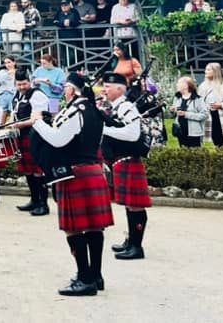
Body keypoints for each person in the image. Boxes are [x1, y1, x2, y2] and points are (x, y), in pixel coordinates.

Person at [31, 72, 114, 296]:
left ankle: (85, 279)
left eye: (66, 87)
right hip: (92, 171)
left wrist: (38, 122)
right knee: (94, 226)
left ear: (72, 90)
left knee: (73, 228)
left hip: (76, 174)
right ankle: (95, 276)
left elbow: (58, 139)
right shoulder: (95, 111)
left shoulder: (76, 111)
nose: (64, 91)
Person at [101, 72, 152, 261]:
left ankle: (137, 246)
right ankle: (131, 241)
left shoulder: (127, 107)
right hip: (120, 160)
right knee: (129, 205)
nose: (104, 90)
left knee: (135, 205)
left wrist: (105, 129)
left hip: (129, 159)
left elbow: (132, 134)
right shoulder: (116, 107)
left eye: (108, 86)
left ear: (120, 89)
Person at [11, 69, 50, 216]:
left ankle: (43, 204)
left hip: (35, 136)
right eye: (19, 84)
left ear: (30, 81)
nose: (21, 87)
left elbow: (37, 118)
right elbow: (14, 114)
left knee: (37, 171)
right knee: (27, 170)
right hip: (21, 136)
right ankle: (34, 200)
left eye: (24, 83)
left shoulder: (37, 95)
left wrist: (19, 125)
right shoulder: (17, 96)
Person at [170, 76, 208, 148]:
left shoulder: (198, 99)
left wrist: (186, 114)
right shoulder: (177, 98)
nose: (177, 85)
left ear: (186, 85)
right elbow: (175, 113)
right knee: (183, 152)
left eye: (179, 83)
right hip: (180, 130)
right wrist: (173, 110)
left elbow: (204, 115)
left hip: (193, 132)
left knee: (195, 153)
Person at [0, 56, 18, 124]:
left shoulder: (18, 72)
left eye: (9, 62)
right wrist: (7, 74)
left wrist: (14, 74)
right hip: (2, 94)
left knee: (12, 112)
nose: (7, 64)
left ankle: (10, 126)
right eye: (6, 63)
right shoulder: (2, 72)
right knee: (1, 112)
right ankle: (0, 126)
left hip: (13, 94)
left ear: (14, 62)